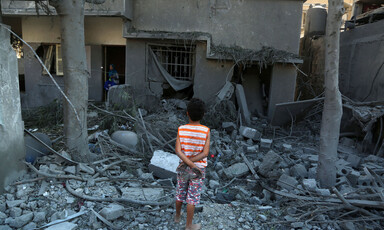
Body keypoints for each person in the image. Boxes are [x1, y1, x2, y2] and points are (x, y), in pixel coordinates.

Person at [174, 98, 210, 230]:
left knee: (180, 192)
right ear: (203, 114)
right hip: (198, 169)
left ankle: (177, 217)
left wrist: (186, 162)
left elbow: (178, 150)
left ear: (187, 113)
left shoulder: (181, 129)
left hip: (183, 168)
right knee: (192, 197)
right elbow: (205, 153)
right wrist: (193, 165)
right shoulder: (206, 131)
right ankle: (189, 226)